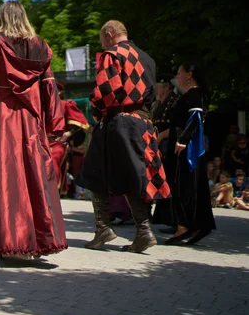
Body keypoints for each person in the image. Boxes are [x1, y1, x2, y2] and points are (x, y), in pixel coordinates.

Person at [0, 1, 68, 259]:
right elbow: (50, 87)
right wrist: (55, 122)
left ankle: (6, 240)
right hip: (31, 120)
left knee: (3, 179)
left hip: (2, 119)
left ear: (1, 17)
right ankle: (34, 241)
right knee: (34, 178)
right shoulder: (41, 46)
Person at [76, 20, 170, 253]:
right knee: (133, 176)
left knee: (93, 172)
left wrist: (96, 107)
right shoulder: (148, 58)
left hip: (119, 121)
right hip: (143, 122)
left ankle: (104, 228)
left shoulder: (112, 55)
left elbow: (107, 92)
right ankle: (143, 232)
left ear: (109, 35)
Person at [165, 63, 216, 245]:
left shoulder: (195, 93)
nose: (177, 76)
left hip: (187, 148)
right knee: (188, 185)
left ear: (189, 74)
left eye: (179, 72)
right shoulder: (189, 94)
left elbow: (195, 119)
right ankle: (197, 224)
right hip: (182, 144)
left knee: (184, 185)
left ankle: (185, 225)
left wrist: (183, 140)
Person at [150, 74, 179, 231]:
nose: (156, 88)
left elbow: (176, 125)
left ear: (167, 86)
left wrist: (161, 136)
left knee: (171, 181)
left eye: (159, 85)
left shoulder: (174, 102)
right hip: (159, 146)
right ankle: (165, 217)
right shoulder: (158, 104)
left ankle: (175, 220)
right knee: (162, 180)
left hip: (169, 144)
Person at [50, 83, 89, 195]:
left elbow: (81, 122)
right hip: (42, 142)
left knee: (54, 159)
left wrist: (68, 133)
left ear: (60, 92)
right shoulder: (41, 105)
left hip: (59, 142)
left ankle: (53, 192)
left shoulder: (66, 104)